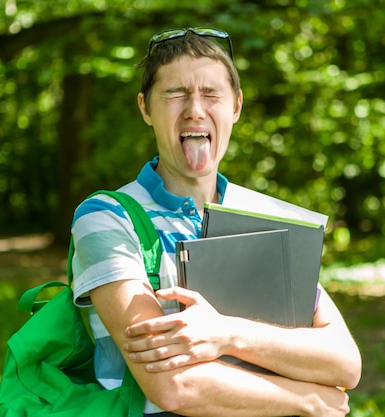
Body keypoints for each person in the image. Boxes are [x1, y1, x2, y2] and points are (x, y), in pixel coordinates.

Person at [71, 27, 361, 416]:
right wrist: (307, 398)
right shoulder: (107, 218)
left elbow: (344, 361)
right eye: (175, 93)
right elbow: (172, 386)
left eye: (211, 94)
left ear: (236, 107)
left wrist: (226, 335)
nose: (194, 108)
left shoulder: (268, 217)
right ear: (145, 107)